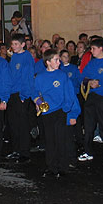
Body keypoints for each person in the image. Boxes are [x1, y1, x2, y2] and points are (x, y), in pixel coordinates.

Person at [33, 49, 80, 178]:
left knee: (61, 139)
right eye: (56, 60)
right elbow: (35, 92)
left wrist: (66, 109)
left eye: (59, 59)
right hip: (47, 112)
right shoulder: (41, 76)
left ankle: (62, 166)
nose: (59, 62)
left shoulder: (62, 75)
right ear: (48, 62)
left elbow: (69, 94)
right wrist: (38, 102)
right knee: (50, 140)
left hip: (60, 111)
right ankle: (51, 167)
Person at [6, 33, 35, 163]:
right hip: (12, 94)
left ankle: (25, 153)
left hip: (21, 94)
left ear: (23, 44)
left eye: (16, 44)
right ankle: (16, 149)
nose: (13, 46)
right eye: (12, 44)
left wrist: (24, 95)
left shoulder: (27, 57)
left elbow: (27, 78)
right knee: (13, 124)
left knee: (22, 125)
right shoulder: (14, 57)